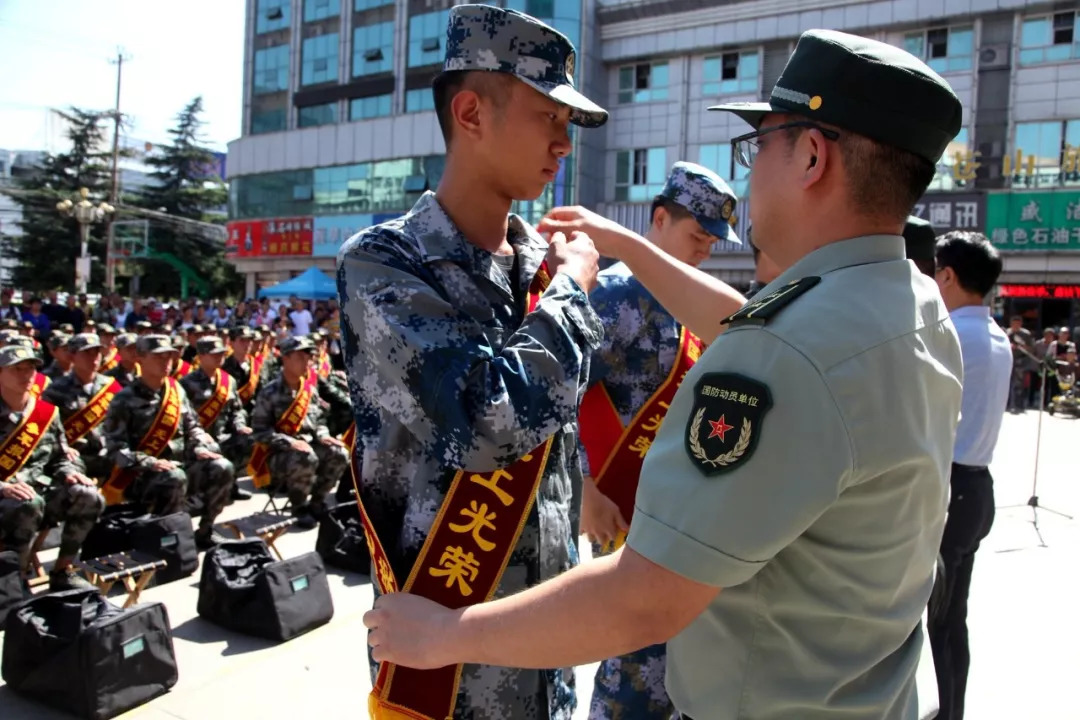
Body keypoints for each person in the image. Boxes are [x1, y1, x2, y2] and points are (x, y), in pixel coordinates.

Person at [363, 28, 966, 720]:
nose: (749, 172)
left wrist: (448, 633)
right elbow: (750, 321)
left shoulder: (784, 352)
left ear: (809, 155)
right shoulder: (912, 304)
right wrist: (619, 248)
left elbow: (645, 597)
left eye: (756, 146)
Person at [340, 5, 607, 718]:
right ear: (471, 112)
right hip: (449, 673)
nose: (563, 145)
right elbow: (486, 423)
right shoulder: (385, 265)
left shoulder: (537, 270)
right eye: (549, 117)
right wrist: (575, 292)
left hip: (541, 649)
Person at [579, 162, 741, 720]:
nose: (706, 251)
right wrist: (583, 488)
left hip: (681, 509)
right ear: (658, 219)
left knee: (679, 659)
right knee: (636, 664)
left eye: (713, 242)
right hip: (624, 508)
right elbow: (559, 392)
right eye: (698, 236)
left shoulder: (693, 303)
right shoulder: (616, 297)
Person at [928, 231, 1011, 720]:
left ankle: (944, 713)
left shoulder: (950, 334)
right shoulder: (997, 336)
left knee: (936, 619)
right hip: (978, 489)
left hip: (951, 489)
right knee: (952, 617)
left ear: (949, 276)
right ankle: (953, 710)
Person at [101, 334, 235, 549]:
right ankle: (169, 540)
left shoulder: (176, 390)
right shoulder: (123, 399)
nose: (166, 363)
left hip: (180, 465)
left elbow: (193, 427)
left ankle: (205, 530)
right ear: (141, 359)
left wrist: (200, 446)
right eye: (159, 357)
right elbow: (116, 450)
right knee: (174, 477)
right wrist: (151, 462)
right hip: (140, 476)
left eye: (169, 357)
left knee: (222, 466)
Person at [0, 343, 103, 592]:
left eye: (31, 369)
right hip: (8, 500)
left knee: (89, 496)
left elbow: (61, 455)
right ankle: (16, 579)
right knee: (27, 504)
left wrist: (71, 472)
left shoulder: (45, 412)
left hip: (39, 494)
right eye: (18, 369)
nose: (27, 375)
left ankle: (63, 569)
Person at [249, 336, 348, 529]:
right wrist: (289, 442)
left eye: (309, 358)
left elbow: (318, 420)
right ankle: (299, 508)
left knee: (340, 453)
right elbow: (259, 432)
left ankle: (317, 502)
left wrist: (323, 435)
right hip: (278, 454)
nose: (307, 362)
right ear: (285, 358)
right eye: (301, 357)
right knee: (306, 456)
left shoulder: (308, 388)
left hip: (308, 446)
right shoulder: (269, 392)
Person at [181, 335, 254, 502]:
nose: (219, 357)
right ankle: (202, 492)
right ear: (201, 356)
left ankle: (231, 484)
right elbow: (183, 419)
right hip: (197, 441)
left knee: (250, 440)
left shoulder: (228, 381)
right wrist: (198, 436)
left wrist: (240, 425)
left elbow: (237, 411)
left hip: (223, 436)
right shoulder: (186, 383)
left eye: (221, 353)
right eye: (214, 354)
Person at [42, 333, 122, 482]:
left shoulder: (112, 387)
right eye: (87, 353)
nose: (94, 357)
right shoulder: (55, 391)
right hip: (76, 456)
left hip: (110, 453)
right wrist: (63, 448)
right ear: (72, 356)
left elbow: (122, 424)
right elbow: (48, 432)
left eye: (97, 352)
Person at [1005, 315, 1035, 413]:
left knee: (1019, 384)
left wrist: (1021, 345)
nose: (1016, 325)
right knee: (1007, 383)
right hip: (1008, 360)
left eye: (1018, 323)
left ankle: (1019, 404)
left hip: (1020, 361)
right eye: (1014, 323)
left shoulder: (1026, 334)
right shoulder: (1006, 333)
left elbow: (1031, 348)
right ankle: (1007, 404)